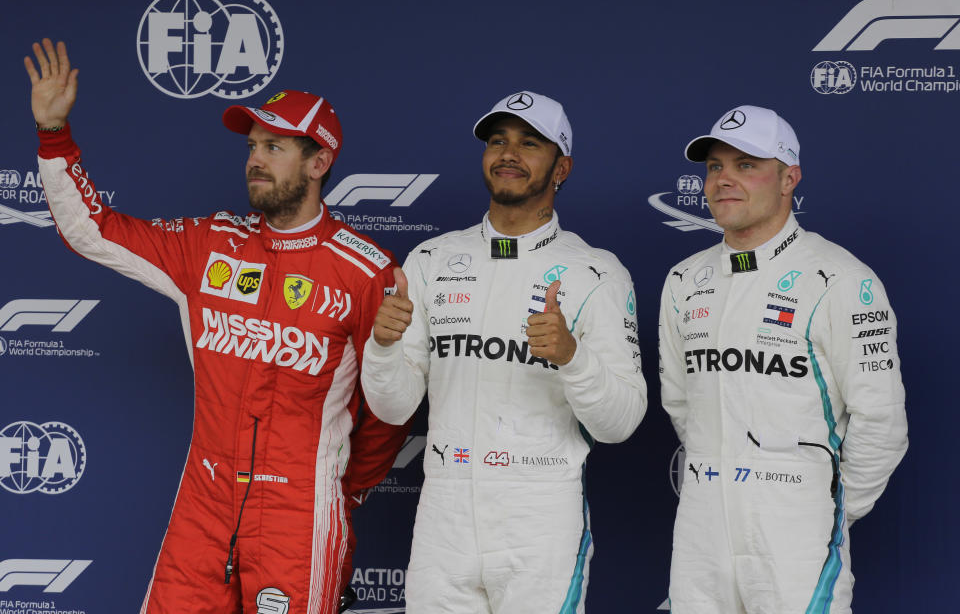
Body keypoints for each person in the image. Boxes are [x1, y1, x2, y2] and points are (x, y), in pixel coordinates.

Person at [24, 38, 411, 614]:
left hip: (297, 513)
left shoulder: (365, 270)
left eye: (274, 147)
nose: (254, 159)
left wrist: (337, 492)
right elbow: (94, 231)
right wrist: (54, 136)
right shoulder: (208, 245)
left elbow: (387, 409)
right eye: (253, 146)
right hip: (203, 504)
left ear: (319, 162)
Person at [360, 90, 647, 612]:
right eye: (498, 141)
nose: (508, 153)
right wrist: (382, 348)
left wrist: (572, 358)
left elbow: (621, 422)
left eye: (529, 143)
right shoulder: (431, 259)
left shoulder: (597, 271)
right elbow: (393, 408)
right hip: (443, 512)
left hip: (539, 514)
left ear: (562, 168)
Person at [658, 105, 908, 613]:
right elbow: (682, 404)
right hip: (701, 532)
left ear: (789, 177)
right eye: (714, 167)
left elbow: (881, 424)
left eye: (746, 164)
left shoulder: (841, 279)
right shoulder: (684, 280)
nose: (724, 179)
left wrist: (821, 509)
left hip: (794, 538)